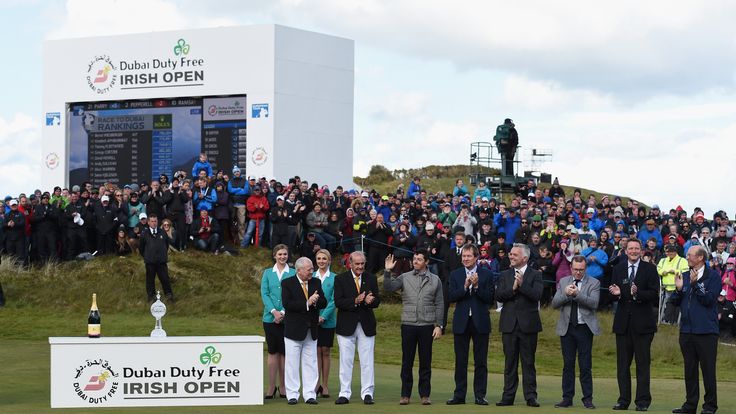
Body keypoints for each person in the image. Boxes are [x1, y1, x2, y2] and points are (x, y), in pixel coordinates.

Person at [384, 251, 444, 405]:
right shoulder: (405, 277)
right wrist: (387, 271)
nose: (415, 261)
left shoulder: (435, 280)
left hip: (427, 325)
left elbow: (439, 304)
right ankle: (405, 395)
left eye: (419, 259)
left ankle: (425, 395)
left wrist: (439, 325)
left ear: (427, 262)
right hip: (408, 325)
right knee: (407, 361)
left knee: (425, 362)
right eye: (414, 259)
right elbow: (389, 288)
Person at [608, 238, 659, 411]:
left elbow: (654, 294)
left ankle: (642, 402)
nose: (634, 251)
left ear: (641, 250)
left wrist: (637, 294)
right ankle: (623, 400)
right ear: (626, 250)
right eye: (631, 248)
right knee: (622, 365)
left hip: (643, 325)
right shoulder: (618, 268)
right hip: (623, 324)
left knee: (642, 365)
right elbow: (614, 293)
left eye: (637, 248)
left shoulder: (650, 269)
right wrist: (617, 294)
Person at [669, 246, 720, 414]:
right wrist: (677, 289)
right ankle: (690, 405)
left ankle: (710, 406)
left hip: (706, 331)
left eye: (690, 255)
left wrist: (695, 284)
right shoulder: (684, 274)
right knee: (689, 370)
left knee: (708, 370)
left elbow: (709, 300)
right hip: (687, 331)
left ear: (700, 258)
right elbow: (675, 301)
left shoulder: (713, 276)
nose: (687, 257)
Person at [495, 243, 543, 407]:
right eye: (510, 254)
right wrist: (513, 288)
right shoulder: (504, 274)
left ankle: (531, 396)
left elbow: (537, 295)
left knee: (528, 362)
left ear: (524, 258)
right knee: (510, 362)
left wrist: (522, 285)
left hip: (528, 325)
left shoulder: (536, 275)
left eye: (515, 254)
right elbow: (499, 296)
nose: (511, 256)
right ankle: (508, 396)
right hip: (509, 324)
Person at [446, 244, 495, 406]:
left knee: (480, 361)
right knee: (461, 361)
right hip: (461, 322)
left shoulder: (487, 274)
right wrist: (466, 287)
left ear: (476, 257)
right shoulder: (455, 274)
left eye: (469, 256)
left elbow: (490, 299)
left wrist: (476, 286)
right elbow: (452, 296)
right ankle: (459, 395)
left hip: (480, 322)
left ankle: (480, 395)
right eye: (464, 256)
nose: (465, 259)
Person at [551, 255, 600, 409]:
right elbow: (554, 303)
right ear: (571, 268)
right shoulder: (564, 281)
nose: (578, 272)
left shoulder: (594, 282)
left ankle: (587, 398)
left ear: (585, 269)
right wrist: (566, 294)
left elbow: (593, 303)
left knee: (585, 365)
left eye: (581, 270)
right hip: (567, 328)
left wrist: (576, 294)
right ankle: (567, 398)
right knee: (568, 365)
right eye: (576, 269)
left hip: (585, 327)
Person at [333, 251, 381, 405]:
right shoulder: (340, 279)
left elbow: (377, 301)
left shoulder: (371, 278)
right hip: (346, 325)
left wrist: (369, 301)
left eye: (362, 264)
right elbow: (338, 302)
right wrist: (356, 300)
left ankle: (367, 393)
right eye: (357, 264)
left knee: (367, 361)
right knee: (346, 361)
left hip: (366, 324)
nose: (360, 267)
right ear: (350, 264)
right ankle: (344, 393)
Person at [282, 256, 326, 405]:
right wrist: (307, 303)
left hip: (311, 330)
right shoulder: (287, 283)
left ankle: (309, 394)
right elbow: (287, 304)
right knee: (292, 364)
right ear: (299, 270)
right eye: (309, 270)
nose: (311, 272)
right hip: (294, 330)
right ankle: (292, 395)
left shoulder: (316, 282)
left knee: (311, 363)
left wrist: (315, 301)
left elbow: (324, 302)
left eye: (312, 269)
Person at [261, 244, 295, 400]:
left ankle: (283, 386)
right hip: (270, 318)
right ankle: (271, 386)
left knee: (285, 353)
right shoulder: (268, 273)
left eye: (285, 254)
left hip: (288, 318)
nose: (282, 257)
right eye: (280, 254)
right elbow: (265, 293)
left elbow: (294, 295)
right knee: (273, 352)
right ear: (274, 255)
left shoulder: (294, 273)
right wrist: (274, 312)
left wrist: (282, 312)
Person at [314, 249, 336, 399]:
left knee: (325, 351)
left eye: (324, 259)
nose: (321, 261)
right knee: (315, 352)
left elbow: (334, 300)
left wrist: (323, 316)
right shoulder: (311, 276)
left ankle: (325, 384)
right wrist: (316, 317)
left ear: (329, 261)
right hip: (312, 320)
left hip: (328, 321)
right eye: (319, 258)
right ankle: (316, 384)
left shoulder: (335, 278)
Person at [138, 214, 174, 303]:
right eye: (152, 221)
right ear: (149, 222)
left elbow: (166, 244)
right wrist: (147, 256)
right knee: (150, 280)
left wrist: (162, 255)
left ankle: (169, 296)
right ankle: (151, 297)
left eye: (155, 221)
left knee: (165, 279)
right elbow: (141, 248)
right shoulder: (144, 234)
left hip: (161, 262)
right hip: (150, 262)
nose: (154, 223)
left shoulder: (162, 232)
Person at [657, 244, 689, 324]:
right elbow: (658, 269)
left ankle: (675, 321)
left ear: (675, 252)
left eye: (671, 252)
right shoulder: (663, 260)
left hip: (677, 287)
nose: (669, 254)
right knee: (667, 303)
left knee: (676, 304)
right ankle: (666, 320)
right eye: (668, 252)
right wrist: (663, 272)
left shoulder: (682, 260)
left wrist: (675, 271)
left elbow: (685, 271)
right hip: (665, 286)